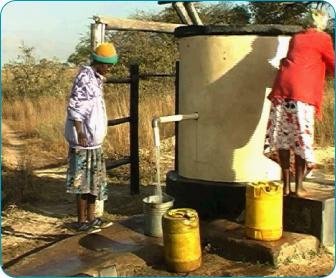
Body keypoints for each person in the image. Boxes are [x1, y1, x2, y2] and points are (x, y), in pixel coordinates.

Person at [264, 9, 334, 197]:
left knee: (283, 137)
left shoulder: (297, 37)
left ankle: (286, 185)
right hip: (301, 94)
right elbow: (333, 65)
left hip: (282, 90)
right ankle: (299, 186)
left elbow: (292, 60)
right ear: (322, 23)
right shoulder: (323, 38)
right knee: (301, 139)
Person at [64, 42, 118, 232]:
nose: (109, 69)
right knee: (82, 184)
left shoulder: (96, 78)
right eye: (107, 65)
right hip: (83, 142)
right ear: (99, 62)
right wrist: (80, 132)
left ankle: (92, 219)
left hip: (93, 143)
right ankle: (82, 222)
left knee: (94, 182)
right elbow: (77, 108)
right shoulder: (85, 78)